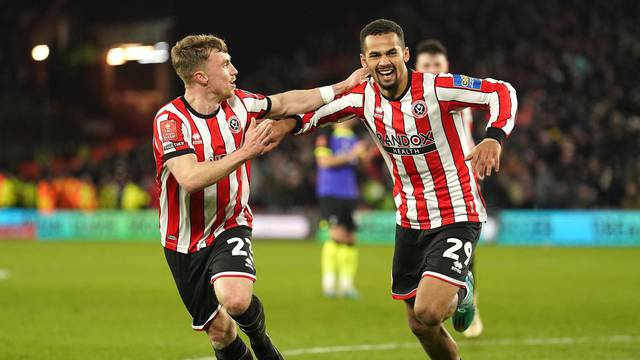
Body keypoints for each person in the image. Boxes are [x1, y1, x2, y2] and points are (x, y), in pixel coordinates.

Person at [270, 19, 516, 360]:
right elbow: (318, 114)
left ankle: (462, 291)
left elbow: (501, 91)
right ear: (364, 61)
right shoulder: (363, 98)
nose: (383, 61)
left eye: (390, 52)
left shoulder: (437, 88)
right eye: (375, 55)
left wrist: (494, 137)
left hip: (456, 211)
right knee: (419, 325)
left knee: (430, 311)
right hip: (410, 219)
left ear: (405, 53)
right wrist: (286, 126)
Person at [152, 34, 368, 360]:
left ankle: (261, 340)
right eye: (225, 65)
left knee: (235, 299)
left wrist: (342, 86)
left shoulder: (239, 102)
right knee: (220, 332)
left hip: (230, 222)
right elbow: (190, 179)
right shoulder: (170, 121)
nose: (234, 71)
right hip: (182, 240)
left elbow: (285, 103)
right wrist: (245, 152)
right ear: (201, 77)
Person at [415, 38, 484, 338]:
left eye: (437, 66)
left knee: (462, 254)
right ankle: (450, 295)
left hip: (456, 183)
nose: (432, 70)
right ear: (415, 68)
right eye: (426, 66)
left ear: (448, 69)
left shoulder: (450, 93)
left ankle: (466, 296)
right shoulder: (408, 98)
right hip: (418, 189)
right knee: (422, 254)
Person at [315, 119, 367, 298]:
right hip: (331, 191)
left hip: (349, 192)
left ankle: (346, 285)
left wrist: (364, 157)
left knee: (351, 239)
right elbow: (324, 162)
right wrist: (353, 155)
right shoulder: (327, 134)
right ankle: (329, 283)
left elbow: (360, 164)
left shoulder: (355, 137)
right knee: (336, 236)